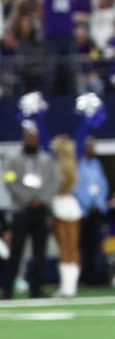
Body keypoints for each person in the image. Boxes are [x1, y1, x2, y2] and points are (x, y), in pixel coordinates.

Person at [2, 122, 60, 299]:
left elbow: (54, 182)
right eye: (29, 137)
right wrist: (28, 199)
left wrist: (40, 199)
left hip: (41, 210)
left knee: (39, 252)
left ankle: (36, 289)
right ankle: (8, 289)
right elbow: (10, 181)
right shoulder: (13, 159)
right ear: (23, 138)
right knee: (16, 252)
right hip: (21, 210)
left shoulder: (46, 160)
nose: (32, 140)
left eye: (34, 138)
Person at [73, 136, 108, 285]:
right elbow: (76, 187)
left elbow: (103, 185)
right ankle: (83, 278)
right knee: (81, 246)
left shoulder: (97, 164)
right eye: (88, 146)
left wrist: (98, 202)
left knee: (95, 246)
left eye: (92, 146)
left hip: (96, 211)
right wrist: (87, 203)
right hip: (82, 211)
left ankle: (95, 278)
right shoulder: (77, 165)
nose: (90, 149)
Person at [50, 135, 82, 297]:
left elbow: (52, 188)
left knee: (64, 248)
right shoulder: (72, 166)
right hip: (72, 204)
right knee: (73, 248)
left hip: (59, 205)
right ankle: (71, 287)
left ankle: (66, 287)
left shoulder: (55, 167)